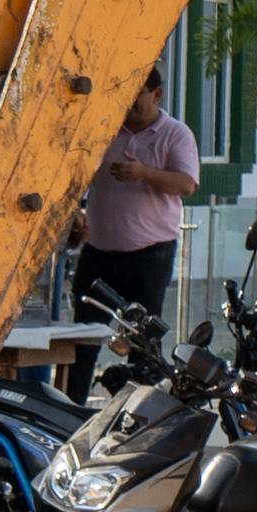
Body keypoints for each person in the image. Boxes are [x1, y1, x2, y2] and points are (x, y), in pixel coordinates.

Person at [75, 64, 198, 342]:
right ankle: (76, 386)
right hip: (98, 253)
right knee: (83, 337)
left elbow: (186, 185)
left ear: (157, 94)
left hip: (148, 257)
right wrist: (76, 215)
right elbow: (75, 177)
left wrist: (144, 173)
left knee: (142, 341)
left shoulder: (176, 134)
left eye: (138, 93)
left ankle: (144, 384)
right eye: (124, 93)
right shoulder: (104, 131)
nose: (130, 101)